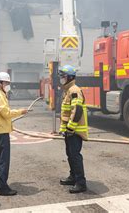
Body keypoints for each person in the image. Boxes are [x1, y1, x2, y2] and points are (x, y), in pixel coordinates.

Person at [0, 72, 27, 196]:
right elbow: (6, 113)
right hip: (1, 132)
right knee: (3, 160)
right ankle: (2, 187)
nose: (8, 85)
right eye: (7, 83)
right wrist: (21, 111)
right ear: (0, 83)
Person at [58, 65, 88, 193]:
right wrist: (63, 129)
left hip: (74, 132)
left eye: (63, 76)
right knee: (70, 154)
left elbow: (77, 111)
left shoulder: (74, 90)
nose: (61, 79)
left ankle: (81, 183)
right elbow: (66, 113)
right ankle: (73, 176)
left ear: (69, 77)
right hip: (69, 131)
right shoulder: (68, 90)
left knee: (75, 156)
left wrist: (70, 128)